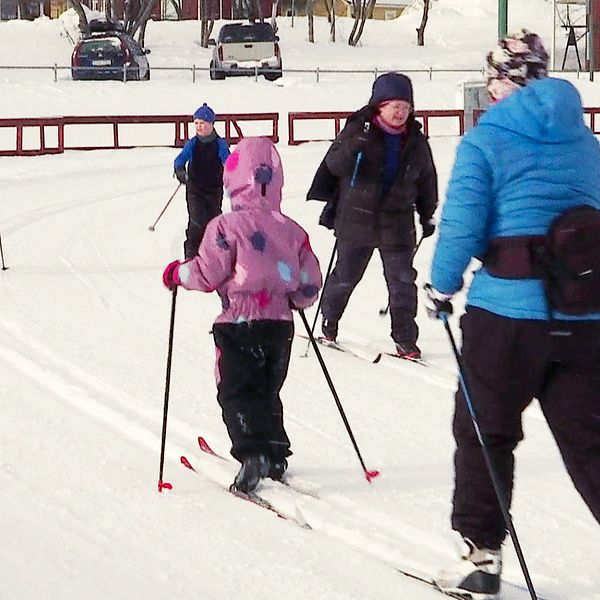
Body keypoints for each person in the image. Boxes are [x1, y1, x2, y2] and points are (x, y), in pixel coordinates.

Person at [426, 29, 600, 597]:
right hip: (584, 315)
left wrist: (442, 286)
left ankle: (482, 557)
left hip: (507, 316)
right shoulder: (587, 142)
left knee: (484, 430)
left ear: (499, 81)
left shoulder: (487, 140)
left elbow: (462, 225)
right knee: (591, 441)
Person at [163, 137, 323, 494]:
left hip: (239, 323)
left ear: (231, 179)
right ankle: (276, 452)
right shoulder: (292, 229)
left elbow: (207, 273)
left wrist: (178, 274)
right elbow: (310, 282)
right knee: (268, 389)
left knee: (236, 389)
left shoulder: (225, 226)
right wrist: (294, 298)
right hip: (280, 325)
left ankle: (252, 453)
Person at [307, 72, 438, 359]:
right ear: (379, 105)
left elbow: (427, 179)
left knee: (403, 282)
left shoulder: (415, 141)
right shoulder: (358, 130)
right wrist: (358, 144)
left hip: (398, 222)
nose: (401, 112)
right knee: (346, 276)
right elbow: (334, 164)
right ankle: (329, 321)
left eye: (405, 106)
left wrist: (428, 213)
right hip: (356, 218)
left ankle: (405, 339)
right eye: (394, 105)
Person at [173, 103, 230, 259]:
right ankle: (190, 257)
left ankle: (213, 256)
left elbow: (229, 163)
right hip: (195, 189)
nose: (199, 127)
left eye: (202, 123)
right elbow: (179, 160)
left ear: (211, 124)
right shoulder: (192, 143)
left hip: (214, 189)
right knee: (197, 221)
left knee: (213, 222)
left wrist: (234, 176)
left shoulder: (220, 144)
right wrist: (180, 172)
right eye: (196, 123)